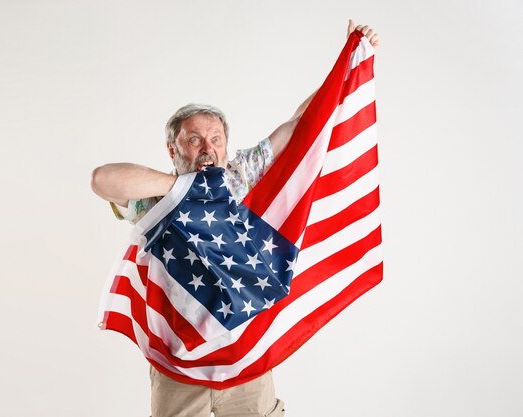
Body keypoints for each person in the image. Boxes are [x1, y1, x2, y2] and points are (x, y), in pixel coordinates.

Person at [91, 20, 379, 417]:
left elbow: (300, 124)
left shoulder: (242, 172)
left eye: (215, 139)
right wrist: (184, 188)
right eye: (193, 140)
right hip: (180, 367)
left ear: (227, 144)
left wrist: (347, 64)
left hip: (245, 362)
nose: (206, 148)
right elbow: (102, 180)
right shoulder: (154, 196)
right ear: (172, 148)